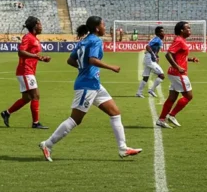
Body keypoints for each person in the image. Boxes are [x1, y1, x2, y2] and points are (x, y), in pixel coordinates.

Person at [38, 15, 141, 161]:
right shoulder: (95, 40)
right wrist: (111, 67)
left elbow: (70, 60)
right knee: (75, 119)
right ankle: (47, 144)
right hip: (87, 85)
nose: (105, 28)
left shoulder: (84, 41)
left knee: (115, 113)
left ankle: (123, 148)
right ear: (97, 27)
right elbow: (92, 60)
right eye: (104, 25)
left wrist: (83, 68)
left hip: (94, 84)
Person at [1, 16, 52, 129]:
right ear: (35, 26)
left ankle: (6, 113)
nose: (41, 26)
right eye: (39, 24)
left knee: (27, 98)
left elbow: (33, 55)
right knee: (35, 96)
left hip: (29, 71)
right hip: (25, 71)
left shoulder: (34, 38)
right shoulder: (28, 37)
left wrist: (42, 58)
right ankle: (35, 123)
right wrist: (37, 57)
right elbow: (21, 52)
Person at [157, 21, 200, 129]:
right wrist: (178, 67)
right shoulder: (179, 40)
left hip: (175, 73)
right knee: (188, 96)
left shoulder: (182, 41)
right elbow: (168, 54)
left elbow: (179, 56)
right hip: (178, 73)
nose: (190, 30)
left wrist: (190, 59)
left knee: (172, 98)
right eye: (188, 28)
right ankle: (172, 115)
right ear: (181, 30)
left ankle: (161, 120)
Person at [136, 26, 166, 98]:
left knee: (146, 77)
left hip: (149, 58)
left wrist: (157, 56)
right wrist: (153, 55)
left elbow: (156, 50)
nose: (163, 33)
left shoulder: (159, 40)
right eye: (162, 31)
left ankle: (139, 93)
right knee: (162, 75)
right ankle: (151, 90)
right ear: (158, 33)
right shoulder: (157, 39)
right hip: (149, 59)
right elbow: (147, 46)